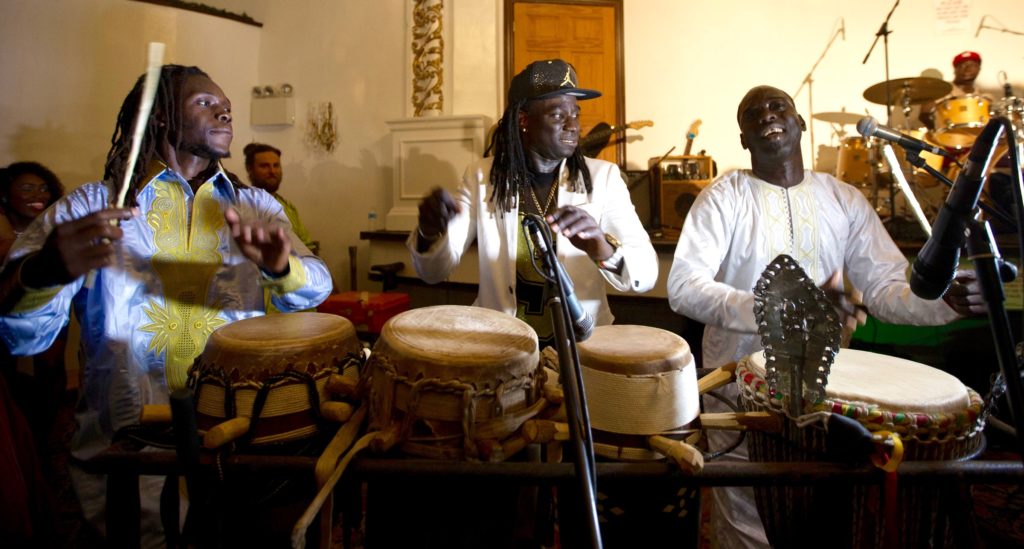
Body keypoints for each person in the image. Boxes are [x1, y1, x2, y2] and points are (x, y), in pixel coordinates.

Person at [0, 65, 332, 547]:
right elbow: (21, 337)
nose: (223, 109)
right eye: (203, 103)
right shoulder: (92, 207)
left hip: (234, 438)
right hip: (130, 452)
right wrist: (41, 274)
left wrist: (283, 268)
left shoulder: (253, 204)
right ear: (159, 118)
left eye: (227, 106)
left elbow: (316, 287)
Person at [667, 85, 984, 549]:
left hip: (828, 386)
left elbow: (884, 287)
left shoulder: (845, 199)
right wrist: (777, 308)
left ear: (799, 124)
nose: (768, 115)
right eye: (753, 113)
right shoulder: (723, 197)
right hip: (739, 384)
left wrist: (942, 302)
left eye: (779, 107)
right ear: (743, 139)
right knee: (747, 513)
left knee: (825, 513)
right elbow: (684, 288)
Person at [409, 59, 657, 348]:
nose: (573, 125)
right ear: (523, 120)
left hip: (583, 350)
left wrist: (601, 247)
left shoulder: (603, 178)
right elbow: (433, 272)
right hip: (502, 348)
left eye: (575, 113)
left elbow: (647, 273)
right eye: (557, 115)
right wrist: (429, 232)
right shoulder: (482, 177)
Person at [0, 162, 67, 462]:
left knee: (52, 370)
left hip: (50, 309)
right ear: (5, 195)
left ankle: (44, 440)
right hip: (7, 310)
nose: (37, 194)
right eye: (26, 188)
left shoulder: (51, 224)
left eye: (43, 188)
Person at [243, 142, 320, 255]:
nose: (272, 171)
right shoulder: (244, 205)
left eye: (276, 165)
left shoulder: (288, 207)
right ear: (250, 169)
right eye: (264, 166)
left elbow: (307, 245)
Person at [919, 51, 987, 129]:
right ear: (955, 69)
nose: (967, 69)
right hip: (947, 138)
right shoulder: (941, 90)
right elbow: (924, 115)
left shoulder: (985, 98)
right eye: (962, 65)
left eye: (972, 65)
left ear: (979, 69)